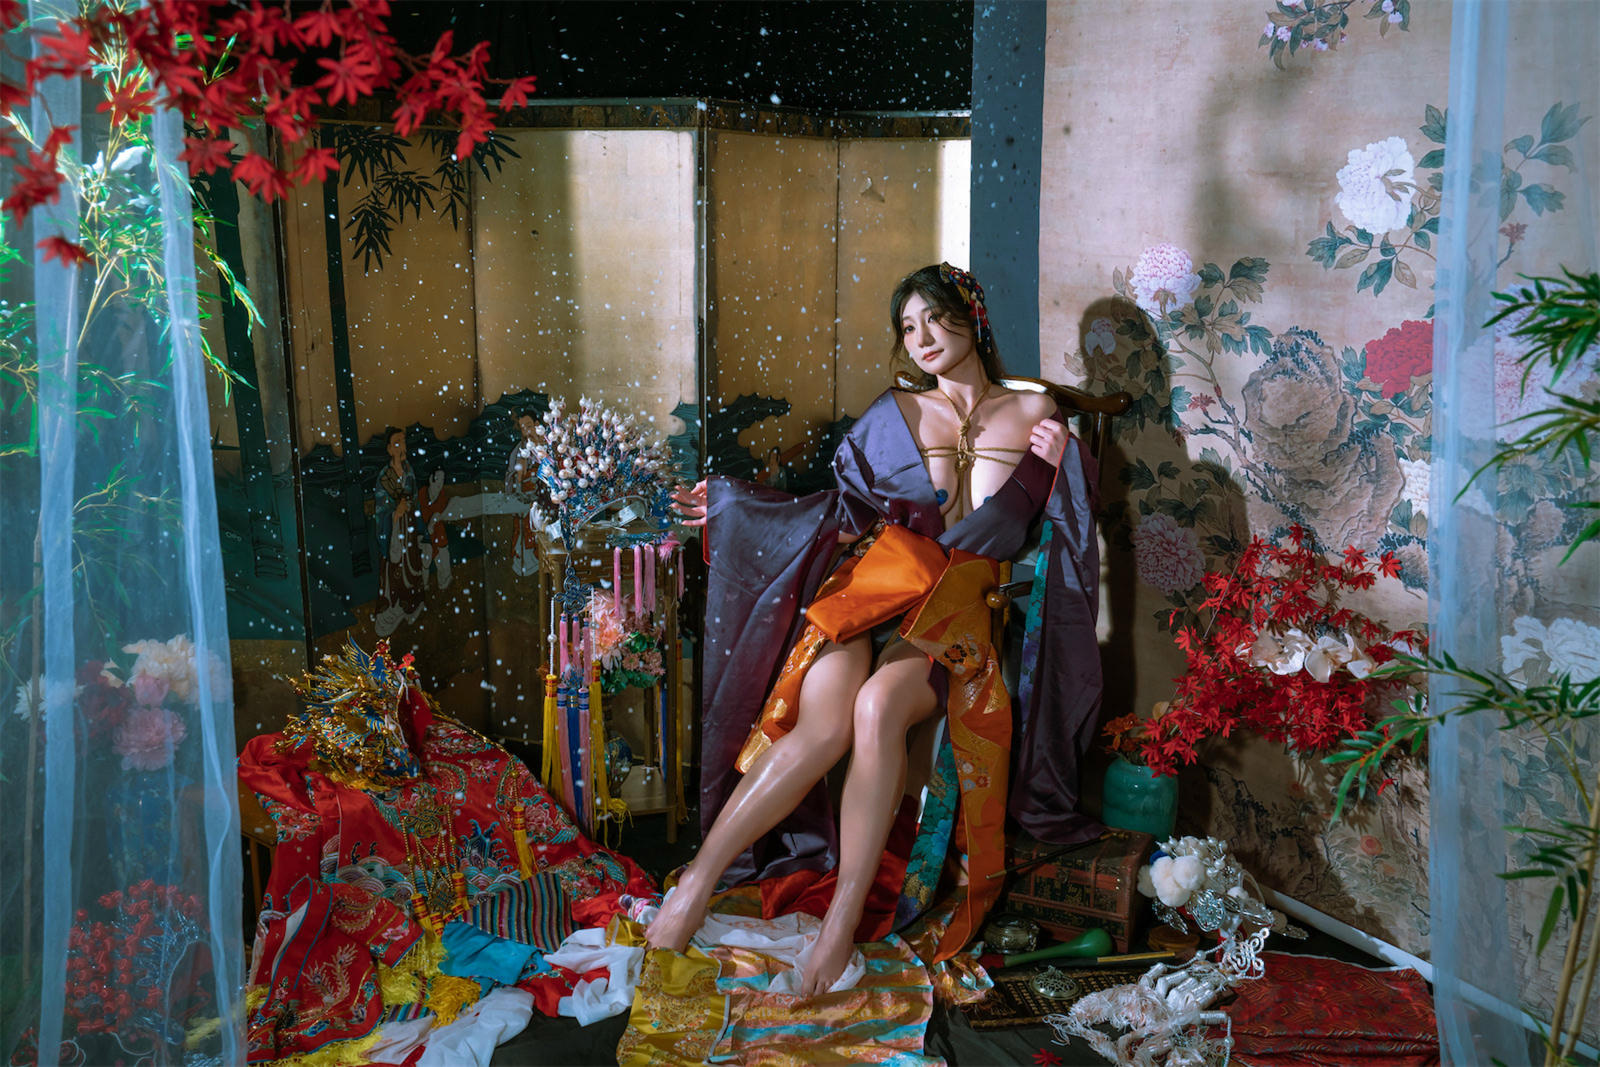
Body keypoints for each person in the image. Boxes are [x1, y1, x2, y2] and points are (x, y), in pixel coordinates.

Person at [646, 264, 1104, 996]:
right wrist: (736, 504)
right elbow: (839, 511)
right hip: (874, 585)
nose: (920, 338)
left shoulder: (1035, 413)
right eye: (907, 327)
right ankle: (696, 885)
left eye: (934, 319)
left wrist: (1057, 469)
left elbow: (1060, 527)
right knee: (824, 723)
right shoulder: (895, 412)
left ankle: (840, 923)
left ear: (972, 316)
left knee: (878, 704)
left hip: (957, 603)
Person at [374, 426, 426, 637]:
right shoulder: (384, 477)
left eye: (403, 442)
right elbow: (381, 509)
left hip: (410, 529)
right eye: (397, 443)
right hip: (394, 532)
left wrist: (420, 530)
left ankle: (412, 605)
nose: (402, 447)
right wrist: (395, 512)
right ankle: (393, 608)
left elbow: (416, 501)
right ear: (389, 449)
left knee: (412, 567)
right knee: (394, 571)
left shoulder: (409, 471)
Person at [506, 411, 541, 577]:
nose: (527, 431)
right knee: (523, 532)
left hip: (545, 501)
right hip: (524, 500)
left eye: (529, 426)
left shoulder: (549, 447)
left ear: (537, 425)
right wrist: (517, 489)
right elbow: (510, 477)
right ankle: (525, 564)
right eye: (523, 428)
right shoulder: (518, 451)